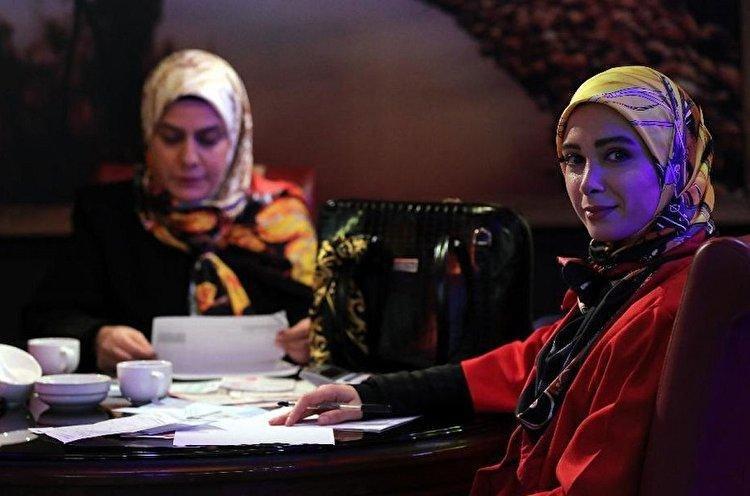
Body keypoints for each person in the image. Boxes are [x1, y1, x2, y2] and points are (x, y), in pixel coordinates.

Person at [272, 66, 715, 495]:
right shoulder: (629, 277)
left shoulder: (665, 307)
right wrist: (370, 393)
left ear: (676, 161)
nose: (588, 183)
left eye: (616, 155)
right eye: (574, 159)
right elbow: (525, 363)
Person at [24, 49, 317, 372]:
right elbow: (46, 317)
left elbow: (329, 321)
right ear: (149, 135)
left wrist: (320, 336)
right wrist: (97, 337)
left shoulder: (281, 218)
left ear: (236, 139)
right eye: (171, 137)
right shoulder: (109, 214)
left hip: (273, 399)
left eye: (208, 139)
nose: (188, 158)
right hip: (141, 399)